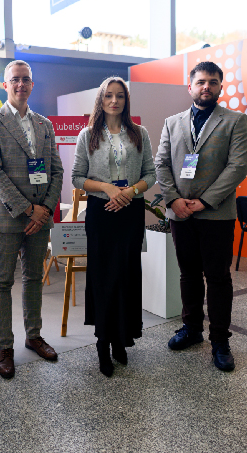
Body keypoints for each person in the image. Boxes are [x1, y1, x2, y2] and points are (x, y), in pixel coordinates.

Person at [154, 61, 247, 372]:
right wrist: (174, 200)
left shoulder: (235, 121)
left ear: (221, 86)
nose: (206, 86)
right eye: (200, 82)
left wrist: (204, 202)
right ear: (190, 87)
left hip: (216, 214)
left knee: (218, 278)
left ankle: (220, 340)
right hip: (180, 214)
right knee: (188, 275)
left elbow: (238, 166)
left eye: (212, 81)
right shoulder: (172, 122)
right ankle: (192, 328)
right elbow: (161, 163)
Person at [0, 60, 63, 379]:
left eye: (26, 79)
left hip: (40, 217)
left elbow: (56, 170)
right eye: (15, 79)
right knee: (2, 282)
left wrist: (45, 209)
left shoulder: (44, 124)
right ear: (5, 85)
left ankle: (34, 336)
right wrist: (29, 210)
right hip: (8, 216)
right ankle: (5, 347)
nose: (20, 84)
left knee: (33, 278)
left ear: (32, 84)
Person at [71, 76, 156, 377]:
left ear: (126, 100)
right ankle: (103, 342)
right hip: (101, 212)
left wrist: (129, 192)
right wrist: (108, 188)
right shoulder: (88, 135)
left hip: (130, 212)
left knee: (127, 275)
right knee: (103, 277)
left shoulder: (139, 133)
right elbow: (77, 177)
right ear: (101, 99)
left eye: (120, 96)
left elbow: (150, 174)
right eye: (109, 95)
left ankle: (122, 338)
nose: (114, 101)